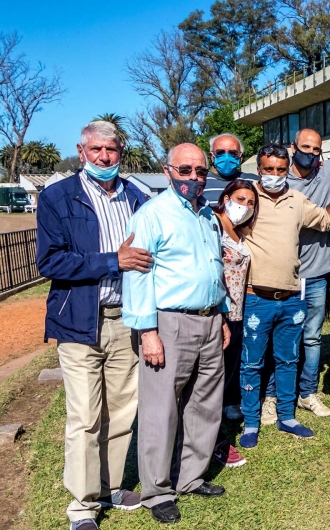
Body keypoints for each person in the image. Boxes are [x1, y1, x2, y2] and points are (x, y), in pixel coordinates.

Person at [36, 121, 150, 530]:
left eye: (112, 150)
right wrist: (110, 260)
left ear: (121, 152)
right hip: (80, 321)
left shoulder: (136, 195)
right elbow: (50, 261)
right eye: (96, 149)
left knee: (121, 411)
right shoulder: (57, 197)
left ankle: (110, 486)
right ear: (82, 151)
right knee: (85, 416)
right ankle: (82, 506)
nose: (105, 157)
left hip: (126, 319)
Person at [123, 143, 230, 525]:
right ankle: (156, 490)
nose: (194, 178)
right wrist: (147, 332)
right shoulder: (152, 215)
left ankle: (191, 477)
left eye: (200, 171)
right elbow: (137, 275)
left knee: (205, 403)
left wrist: (223, 316)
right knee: (161, 409)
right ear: (168, 171)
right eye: (185, 171)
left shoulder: (206, 216)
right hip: (168, 323)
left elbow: (214, 269)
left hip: (209, 320)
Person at [239, 144, 330, 448]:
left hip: (291, 295)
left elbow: (326, 220)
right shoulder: (247, 197)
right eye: (269, 170)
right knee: (252, 363)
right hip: (256, 296)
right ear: (259, 170)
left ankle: (287, 416)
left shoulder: (296, 198)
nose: (276, 176)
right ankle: (251, 422)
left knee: (288, 360)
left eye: (281, 170)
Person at [257, 129, 330, 420]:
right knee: (279, 336)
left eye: (316, 149)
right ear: (292, 147)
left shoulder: (327, 171)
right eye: (305, 147)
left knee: (312, 337)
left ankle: (307, 392)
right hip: (285, 275)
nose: (311, 153)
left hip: (318, 272)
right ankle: (271, 395)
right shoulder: (279, 181)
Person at [210, 178, 259, 469]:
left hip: (238, 313)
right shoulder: (212, 225)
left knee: (226, 375)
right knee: (210, 382)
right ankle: (216, 443)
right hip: (219, 315)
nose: (245, 206)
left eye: (251, 203)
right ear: (226, 197)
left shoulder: (240, 231)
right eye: (240, 199)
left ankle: (216, 430)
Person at [204, 133, 257, 206]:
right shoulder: (201, 182)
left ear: (241, 157)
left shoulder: (254, 182)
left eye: (233, 153)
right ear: (212, 157)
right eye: (220, 152)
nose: (226, 157)